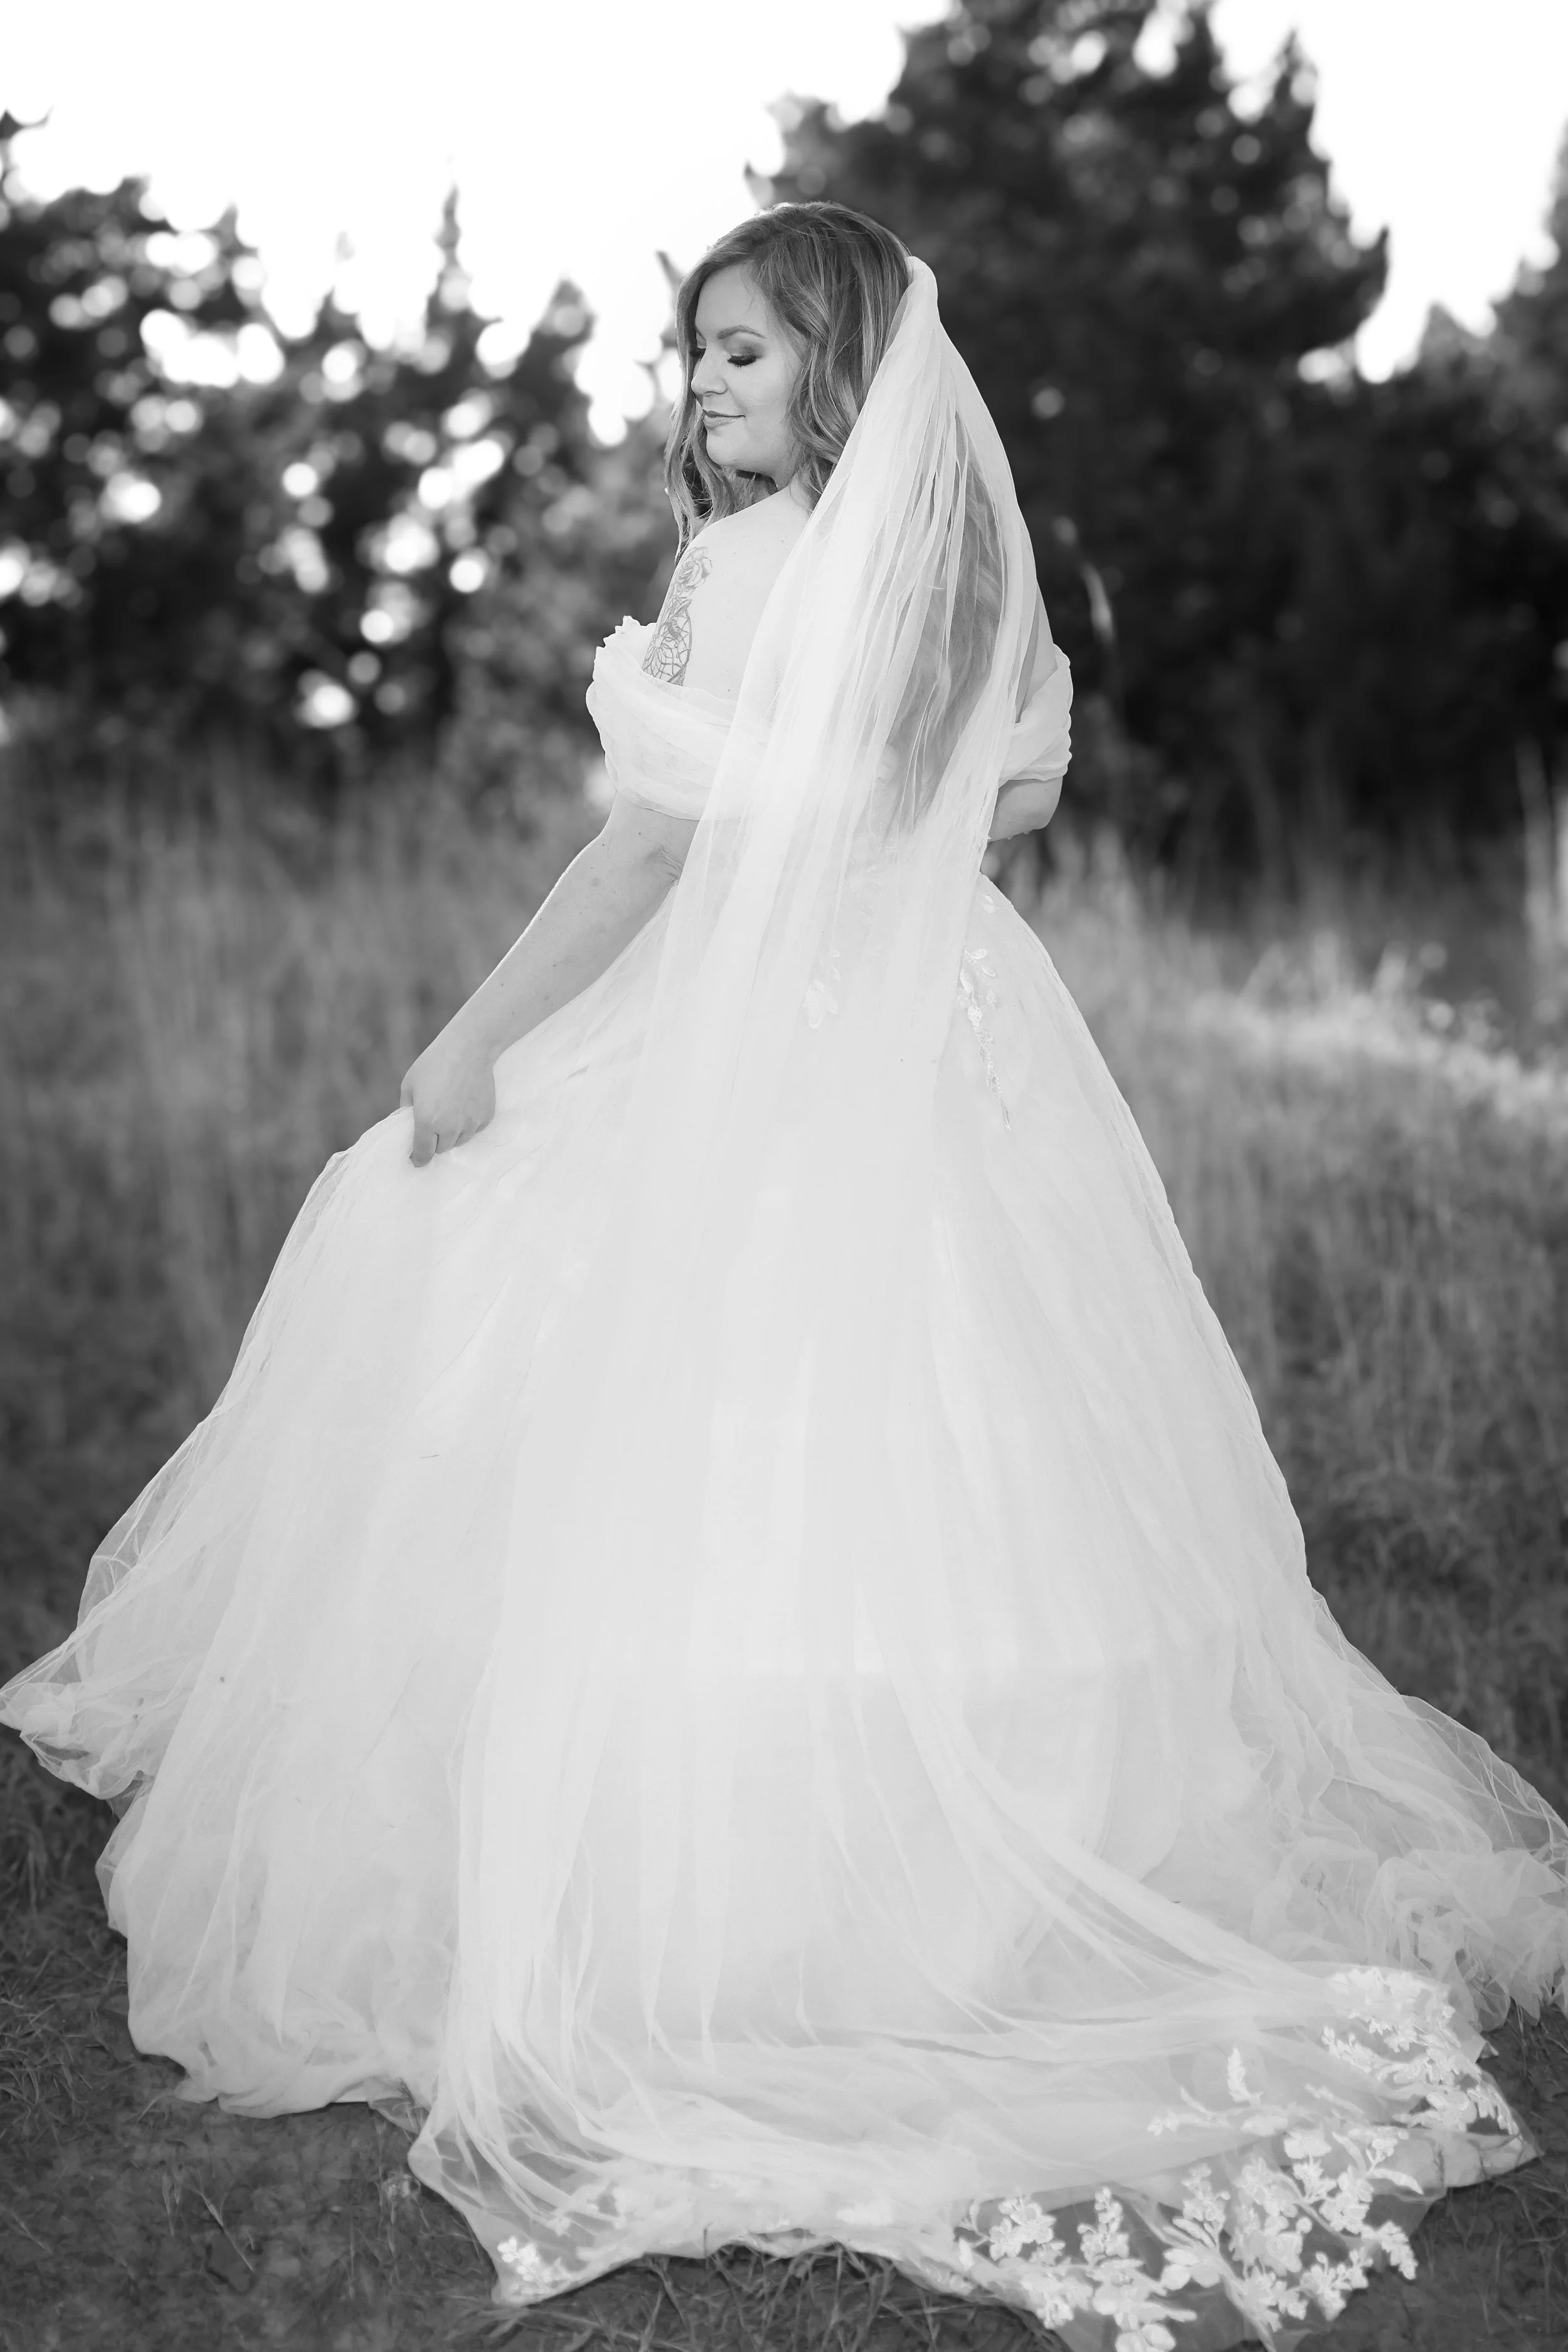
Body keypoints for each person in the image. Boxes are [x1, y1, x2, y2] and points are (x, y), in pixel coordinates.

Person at [3, 203, 1565, 2351]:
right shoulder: (949, 578)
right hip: (946, 1042)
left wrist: (468, 1045)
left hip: (754, 1046)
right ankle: (975, 1883)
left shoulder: (749, 574)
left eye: (739, 348)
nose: (703, 384)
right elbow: (1003, 810)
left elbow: (644, 854)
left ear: (836, 360)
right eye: (696, 353)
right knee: (964, 1437)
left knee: (634, 1378)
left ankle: (723, 1915)